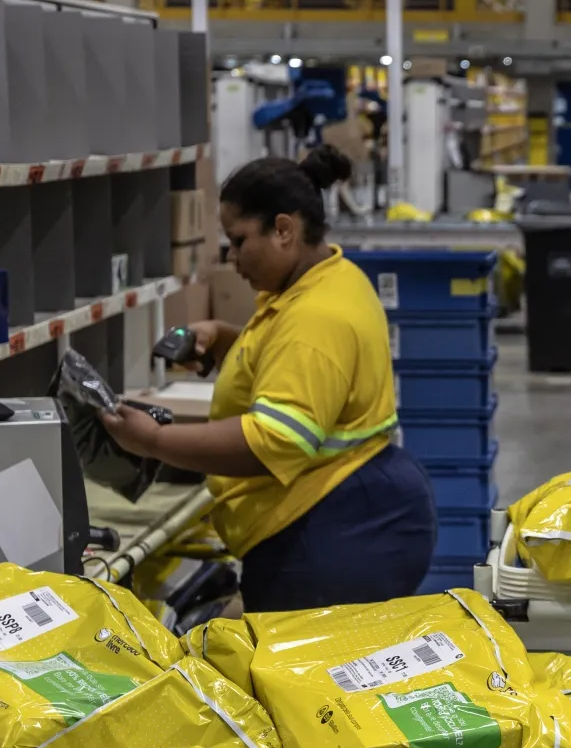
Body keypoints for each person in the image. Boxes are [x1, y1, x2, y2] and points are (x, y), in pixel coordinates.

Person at [100, 144, 436, 610]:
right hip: (355, 501)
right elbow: (297, 363)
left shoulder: (316, 316)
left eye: (239, 241)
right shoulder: (326, 280)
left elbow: (275, 440)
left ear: (283, 230)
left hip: (331, 527)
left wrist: (154, 440)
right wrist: (224, 341)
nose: (232, 258)